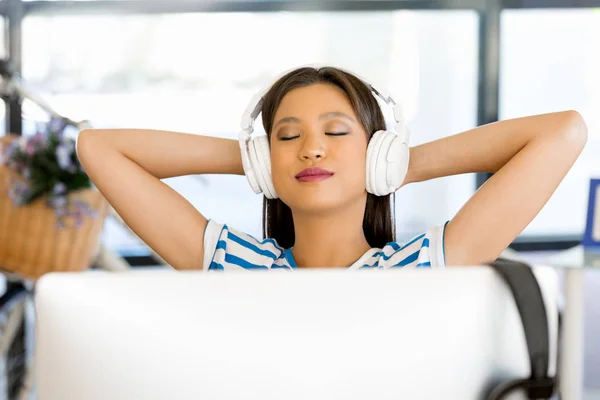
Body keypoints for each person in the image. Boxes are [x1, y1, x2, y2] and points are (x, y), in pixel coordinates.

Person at [76, 66, 588, 271]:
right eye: (289, 136)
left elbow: (563, 132)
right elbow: (99, 149)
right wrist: (254, 160)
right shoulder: (232, 262)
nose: (312, 150)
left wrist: (400, 165)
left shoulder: (425, 265)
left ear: (378, 151)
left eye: (337, 133)